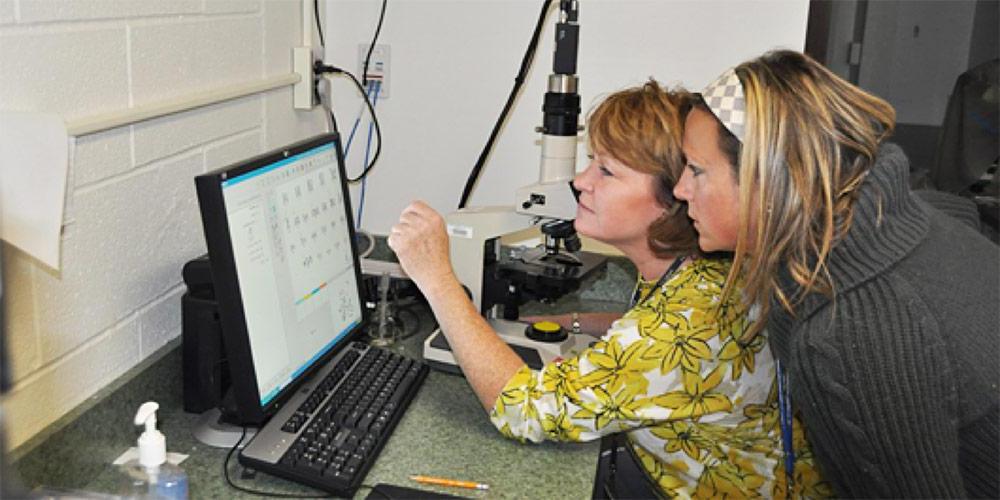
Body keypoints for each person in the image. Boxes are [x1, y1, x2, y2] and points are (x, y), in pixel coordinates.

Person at [389, 81, 829, 497]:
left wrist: (437, 277)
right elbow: (648, 332)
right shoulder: (703, 274)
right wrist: (571, 322)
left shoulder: (678, 327)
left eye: (607, 170)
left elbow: (523, 411)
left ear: (671, 200)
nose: (582, 182)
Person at [673, 50, 999, 498]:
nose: (679, 190)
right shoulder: (905, 217)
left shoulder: (847, 333)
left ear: (768, 178)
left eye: (696, 170)